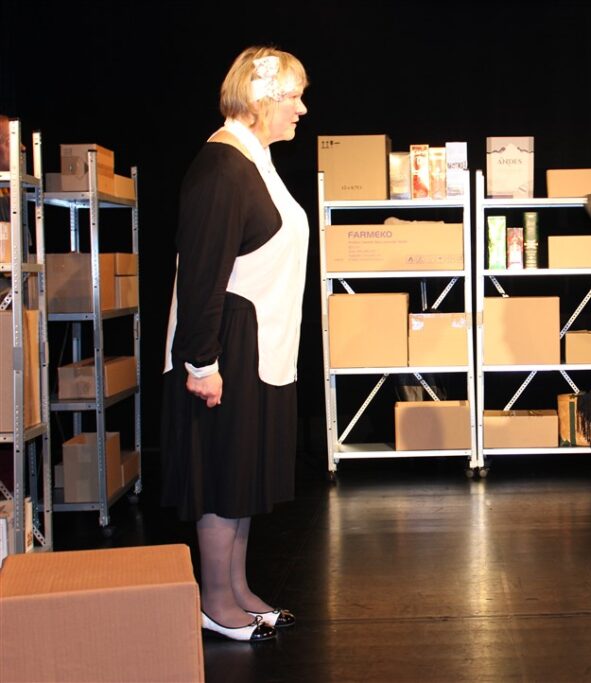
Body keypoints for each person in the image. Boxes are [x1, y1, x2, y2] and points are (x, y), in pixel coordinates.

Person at [161, 46, 309, 642]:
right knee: (221, 474)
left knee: (241, 472)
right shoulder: (222, 167)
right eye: (293, 95)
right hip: (227, 346)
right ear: (261, 97)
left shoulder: (255, 160)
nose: (301, 108)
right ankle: (215, 600)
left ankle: (238, 589)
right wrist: (203, 363)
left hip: (259, 344)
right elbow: (201, 275)